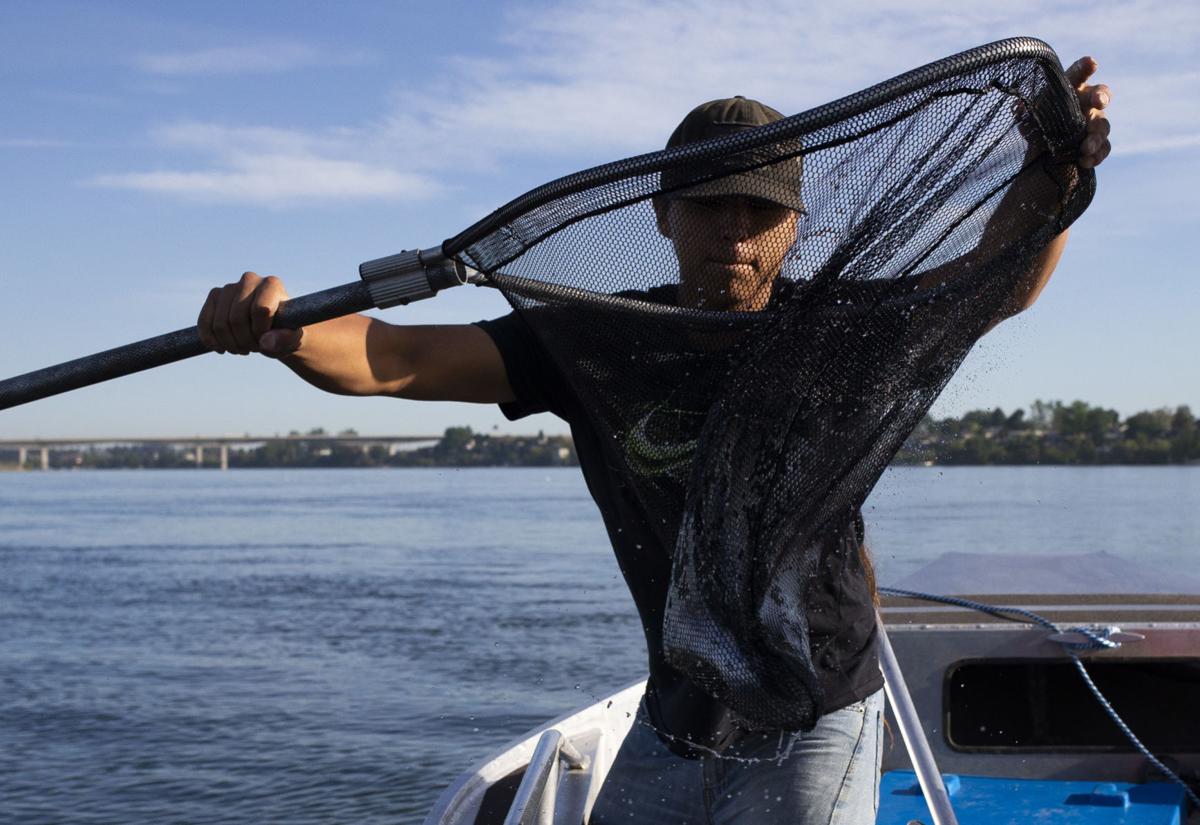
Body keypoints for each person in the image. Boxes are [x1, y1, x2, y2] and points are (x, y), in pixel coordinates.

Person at [197, 57, 1111, 824]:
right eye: (710, 207)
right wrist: (282, 332)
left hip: (818, 708)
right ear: (662, 214)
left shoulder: (834, 331)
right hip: (675, 710)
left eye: (759, 213)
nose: (734, 234)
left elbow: (996, 284)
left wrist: (1053, 176)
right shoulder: (598, 338)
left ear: (793, 228)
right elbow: (391, 358)